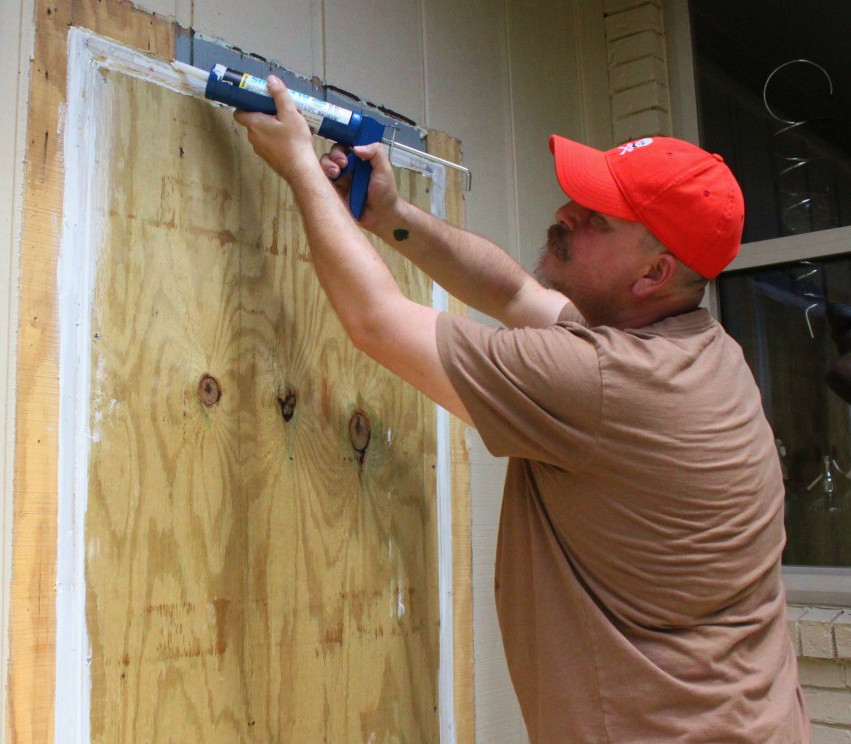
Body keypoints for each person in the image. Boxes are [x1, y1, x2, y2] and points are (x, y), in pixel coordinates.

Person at [234, 76, 810, 743]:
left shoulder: (603, 383)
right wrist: (390, 215)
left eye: (595, 218)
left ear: (653, 274)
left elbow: (377, 321)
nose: (566, 211)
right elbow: (512, 292)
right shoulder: (697, 351)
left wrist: (301, 166)